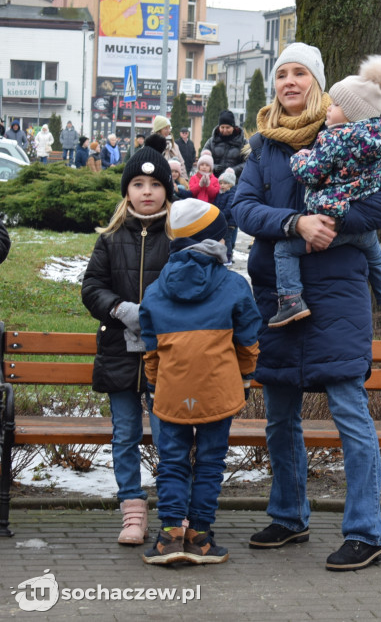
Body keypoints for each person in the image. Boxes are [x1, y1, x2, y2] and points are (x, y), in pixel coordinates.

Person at [231, 41, 381, 571]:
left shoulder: (352, 134)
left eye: (300, 73)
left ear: (319, 83)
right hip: (278, 298)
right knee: (280, 419)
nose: (289, 82)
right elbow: (240, 206)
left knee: (351, 415)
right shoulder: (263, 147)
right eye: (282, 73)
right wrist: (293, 223)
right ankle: (289, 516)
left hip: (336, 294)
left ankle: (366, 530)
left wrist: (335, 221)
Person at [139, 199, 261, 565]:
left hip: (172, 392)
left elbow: (150, 348)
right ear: (214, 240)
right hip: (218, 390)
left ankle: (170, 536)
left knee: (173, 461)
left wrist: (155, 384)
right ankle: (201, 538)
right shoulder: (234, 285)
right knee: (209, 463)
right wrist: (244, 377)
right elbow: (248, 341)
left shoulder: (156, 289)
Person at [80, 134, 174, 545]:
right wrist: (120, 309)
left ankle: (175, 511)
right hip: (119, 352)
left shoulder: (178, 237)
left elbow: (194, 285)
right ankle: (132, 512)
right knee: (125, 436)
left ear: (167, 191)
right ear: (127, 192)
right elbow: (92, 287)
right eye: (138, 185)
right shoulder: (110, 238)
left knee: (171, 436)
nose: (147, 192)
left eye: (155, 186)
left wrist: (159, 315)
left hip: (167, 356)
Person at [268, 55, 381, 333]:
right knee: (377, 260)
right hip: (361, 225)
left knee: (284, 250)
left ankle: (292, 300)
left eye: (337, 105)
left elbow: (310, 173)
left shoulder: (332, 138)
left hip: (329, 218)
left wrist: (298, 158)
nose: (330, 108)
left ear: (353, 112)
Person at [203, 111, 247, 179]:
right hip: (214, 181)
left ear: (233, 127)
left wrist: (234, 170)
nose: (225, 130)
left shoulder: (243, 143)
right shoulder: (211, 142)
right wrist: (213, 166)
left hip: (236, 182)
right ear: (219, 127)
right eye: (222, 127)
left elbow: (248, 162)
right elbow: (203, 159)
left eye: (228, 127)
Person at [214, 168, 238, 264]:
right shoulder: (221, 194)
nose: (222, 185)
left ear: (231, 184)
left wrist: (219, 215)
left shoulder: (232, 194)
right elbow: (216, 204)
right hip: (222, 221)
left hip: (229, 222)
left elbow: (228, 209)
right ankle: (223, 256)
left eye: (225, 183)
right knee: (222, 239)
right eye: (221, 183)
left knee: (227, 240)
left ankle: (228, 257)